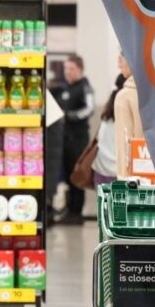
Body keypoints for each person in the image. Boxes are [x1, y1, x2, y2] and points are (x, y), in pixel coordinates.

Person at [53, 54, 94, 225]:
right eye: (66, 69)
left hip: (78, 139)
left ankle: (77, 212)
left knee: (77, 175)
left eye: (71, 69)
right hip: (64, 139)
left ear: (80, 70)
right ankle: (69, 209)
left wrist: (69, 116)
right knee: (67, 175)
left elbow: (89, 109)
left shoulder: (84, 87)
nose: (68, 72)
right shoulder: (64, 88)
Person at [91, 72, 126, 187]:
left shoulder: (106, 115)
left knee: (103, 205)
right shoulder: (128, 115)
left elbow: (99, 139)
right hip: (120, 173)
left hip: (101, 170)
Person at [114, 53, 144, 179]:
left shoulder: (125, 96)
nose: (118, 65)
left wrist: (123, 177)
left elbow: (124, 142)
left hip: (135, 173)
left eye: (121, 59)